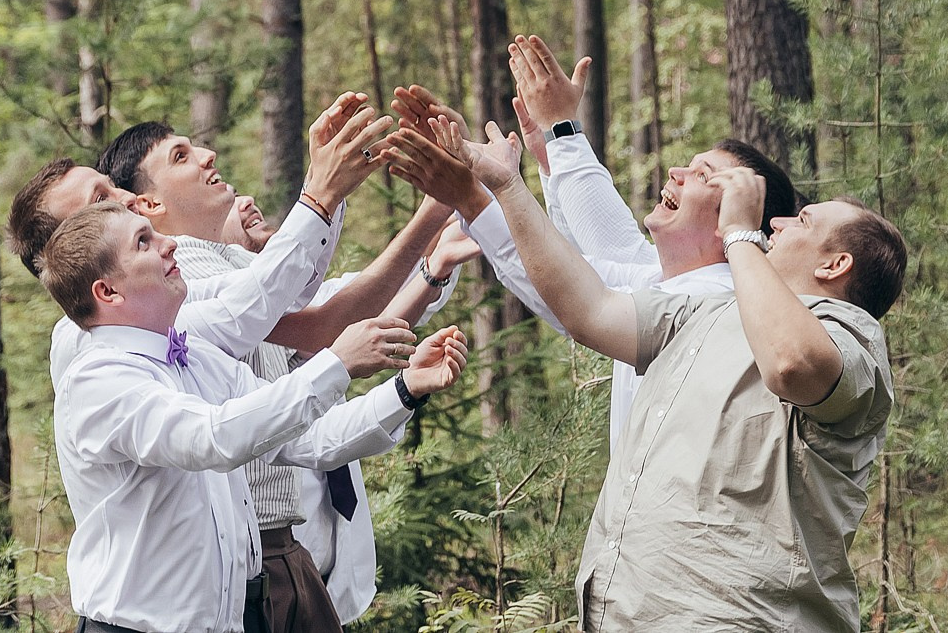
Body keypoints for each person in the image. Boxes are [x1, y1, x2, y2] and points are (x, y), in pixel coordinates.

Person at [383, 120, 907, 633]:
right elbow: (587, 306)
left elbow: (791, 363)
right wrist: (502, 188)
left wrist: (741, 236)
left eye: (803, 222)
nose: (779, 223)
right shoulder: (707, 313)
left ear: (835, 265)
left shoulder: (850, 338)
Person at [100, 117, 482, 630]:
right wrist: (333, 196)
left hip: (283, 555)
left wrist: (404, 383)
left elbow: (327, 338)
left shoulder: (232, 276)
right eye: (181, 156)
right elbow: (319, 322)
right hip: (237, 565)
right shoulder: (183, 293)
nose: (209, 157)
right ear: (146, 204)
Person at [390, 33, 799, 456]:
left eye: (703, 175)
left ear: (735, 218)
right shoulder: (668, 281)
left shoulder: (710, 303)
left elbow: (574, 292)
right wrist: (547, 153)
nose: (676, 171)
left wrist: (486, 188)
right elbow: (596, 257)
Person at [10, 93, 392, 389]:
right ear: (66, 252)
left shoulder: (160, 298)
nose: (125, 198)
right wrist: (321, 193)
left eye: (112, 185)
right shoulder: (81, 345)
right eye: (101, 199)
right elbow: (259, 309)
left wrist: (326, 191)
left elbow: (282, 294)